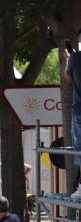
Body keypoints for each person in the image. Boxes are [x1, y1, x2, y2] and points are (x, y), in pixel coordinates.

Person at [63, 43, 81, 197]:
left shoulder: (75, 58)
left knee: (80, 148)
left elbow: (68, 78)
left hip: (80, 111)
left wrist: (69, 60)